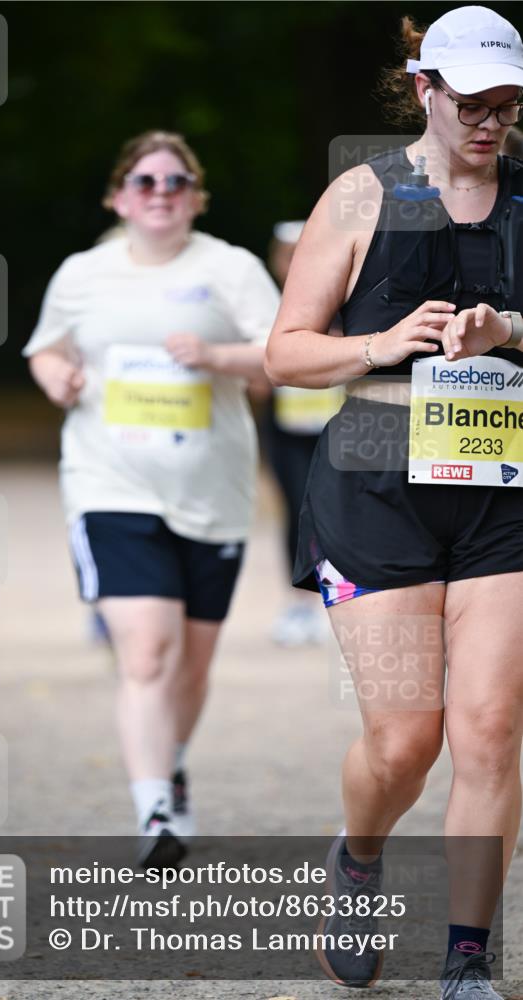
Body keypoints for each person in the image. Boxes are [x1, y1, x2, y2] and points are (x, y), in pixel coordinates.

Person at [265, 7, 522, 998]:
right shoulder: (361, 196)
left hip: (499, 488)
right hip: (374, 479)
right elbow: (285, 349)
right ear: (424, 89)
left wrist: (508, 330)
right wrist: (377, 344)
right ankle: (360, 853)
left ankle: (467, 957)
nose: (490, 122)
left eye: (507, 106)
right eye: (472, 103)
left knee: (491, 726)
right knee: (404, 739)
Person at [24, 130, 279, 867]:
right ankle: (156, 813)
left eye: (175, 182)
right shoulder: (83, 273)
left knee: (191, 668)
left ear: (196, 197)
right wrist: (55, 379)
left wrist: (216, 356)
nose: (160, 193)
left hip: (213, 493)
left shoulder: (229, 269)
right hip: (109, 484)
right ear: (117, 196)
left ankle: (168, 761)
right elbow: (46, 346)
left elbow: (281, 357)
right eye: (144, 181)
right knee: (145, 651)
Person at [263, 221, 342, 647]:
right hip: (286, 431)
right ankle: (298, 604)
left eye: (301, 252)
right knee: (295, 512)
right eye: (286, 254)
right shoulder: (266, 306)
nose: (294, 262)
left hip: (338, 428)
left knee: (341, 511)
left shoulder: (345, 300)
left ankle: (339, 599)